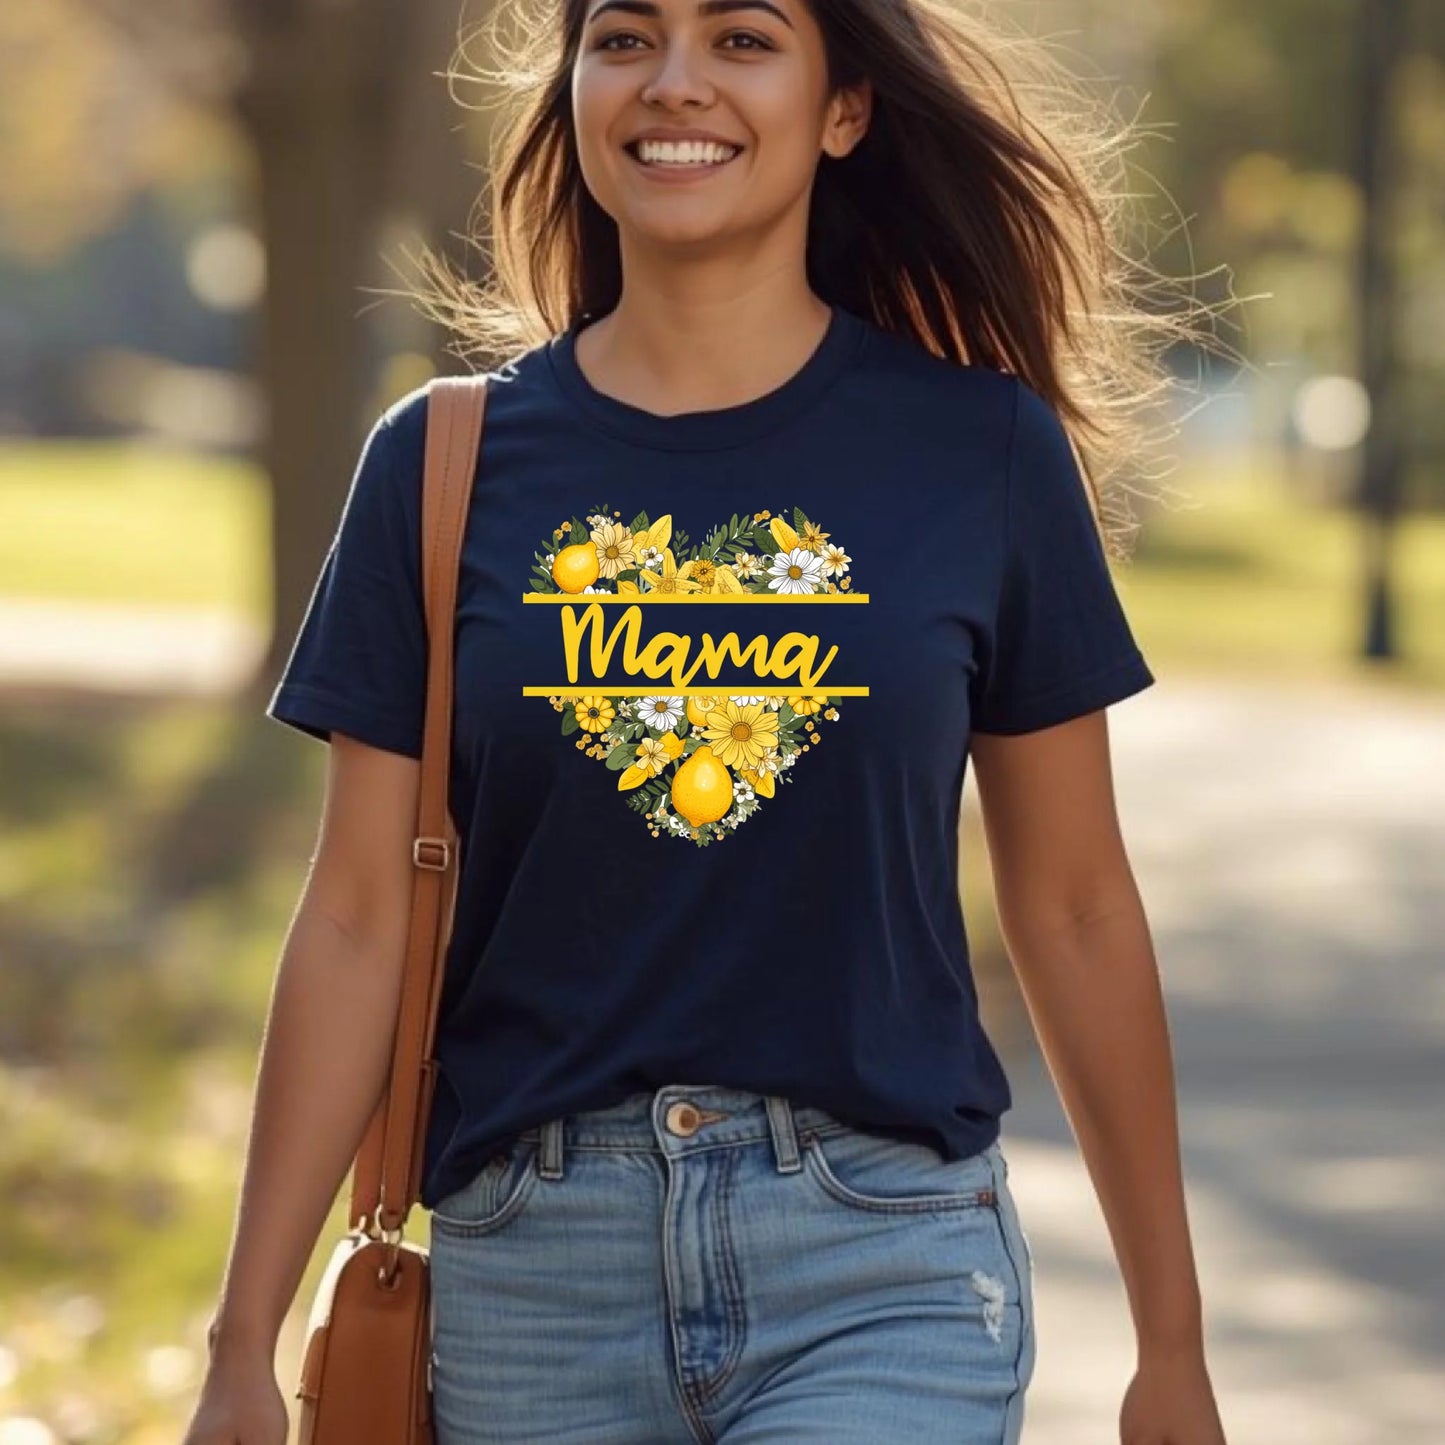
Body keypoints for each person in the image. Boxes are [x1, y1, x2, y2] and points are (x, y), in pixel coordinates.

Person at [186, 0, 1231, 1442]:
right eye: (625, 38)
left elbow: (1075, 905)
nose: (674, 82)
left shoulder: (980, 452)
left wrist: (1170, 1341)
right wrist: (241, 1335)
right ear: (572, 92)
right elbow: (359, 913)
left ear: (843, 109)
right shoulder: (438, 464)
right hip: (534, 1280)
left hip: (880, 1265)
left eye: (741, 39)